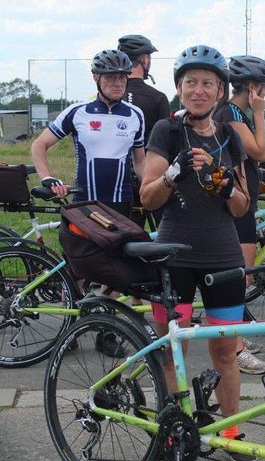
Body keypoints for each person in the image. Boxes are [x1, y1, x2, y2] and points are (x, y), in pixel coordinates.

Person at [140, 45, 253, 458]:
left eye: (208, 83)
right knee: (175, 350)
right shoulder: (166, 133)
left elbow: (242, 206)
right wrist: (175, 172)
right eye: (191, 83)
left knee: (226, 349)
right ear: (179, 89)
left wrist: (223, 185)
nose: (199, 90)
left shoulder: (228, 137)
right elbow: (148, 199)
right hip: (174, 257)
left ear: (221, 91)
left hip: (223, 257)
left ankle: (230, 432)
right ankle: (176, 431)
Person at [31, 49, 145, 358]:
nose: (116, 83)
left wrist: (150, 189)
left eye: (122, 77)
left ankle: (106, 331)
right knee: (77, 271)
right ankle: (72, 331)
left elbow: (140, 162)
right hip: (84, 205)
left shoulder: (135, 116)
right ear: (96, 78)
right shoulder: (78, 112)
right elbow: (39, 145)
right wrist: (47, 177)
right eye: (110, 77)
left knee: (117, 272)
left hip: (120, 205)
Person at [214, 54, 265, 375]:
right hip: (234, 206)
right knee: (240, 277)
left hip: (244, 203)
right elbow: (260, 152)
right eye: (264, 88)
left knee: (243, 276)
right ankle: (235, 349)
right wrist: (260, 114)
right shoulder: (231, 113)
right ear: (252, 87)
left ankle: (235, 334)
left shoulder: (236, 111)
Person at [117, 34, 171, 230]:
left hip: (117, 181)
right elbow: (169, 141)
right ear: (144, 59)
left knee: (123, 238)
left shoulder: (111, 95)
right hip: (151, 177)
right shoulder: (157, 98)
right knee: (164, 235)